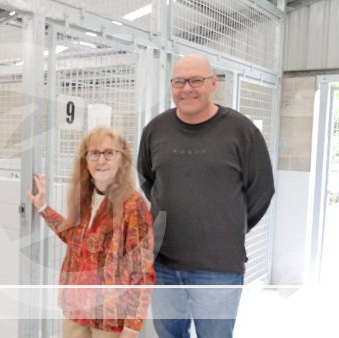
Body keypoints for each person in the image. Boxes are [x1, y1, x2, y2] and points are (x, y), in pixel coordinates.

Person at [137, 54, 275, 338]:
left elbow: (262, 190)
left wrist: (228, 227)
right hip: (163, 262)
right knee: (168, 333)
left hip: (218, 267)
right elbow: (148, 179)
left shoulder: (241, 131)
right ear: (172, 86)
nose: (187, 88)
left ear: (213, 83)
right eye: (179, 82)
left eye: (196, 80)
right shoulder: (155, 129)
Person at [27, 127, 155, 338]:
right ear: (85, 160)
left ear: (122, 159)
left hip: (109, 314)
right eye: (94, 153)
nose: (101, 160)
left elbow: (142, 271)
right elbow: (74, 238)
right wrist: (43, 208)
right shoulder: (84, 198)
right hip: (75, 306)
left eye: (109, 153)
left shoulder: (132, 205)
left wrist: (132, 326)